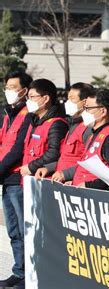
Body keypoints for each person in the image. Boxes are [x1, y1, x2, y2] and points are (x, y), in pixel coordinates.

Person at [0, 71, 33, 288]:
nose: (9, 91)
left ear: (25, 91)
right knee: (13, 231)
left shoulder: (28, 115)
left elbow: (17, 149)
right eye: (7, 87)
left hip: (18, 180)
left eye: (13, 87)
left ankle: (29, 274)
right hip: (7, 179)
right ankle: (19, 271)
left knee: (23, 230)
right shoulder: (8, 114)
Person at [34, 83, 94, 181]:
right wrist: (48, 168)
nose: (68, 102)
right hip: (63, 181)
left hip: (75, 183)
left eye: (72, 99)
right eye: (68, 98)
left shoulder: (88, 127)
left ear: (85, 102)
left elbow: (89, 162)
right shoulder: (73, 125)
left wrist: (66, 174)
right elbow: (65, 158)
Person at [70, 89, 109, 189]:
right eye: (84, 108)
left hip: (97, 196)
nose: (84, 112)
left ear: (102, 111)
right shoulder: (94, 133)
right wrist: (74, 181)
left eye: (88, 108)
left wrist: (89, 185)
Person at [19, 79, 68, 180]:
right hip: (29, 179)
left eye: (32, 97)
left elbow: (54, 153)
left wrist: (31, 167)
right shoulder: (34, 122)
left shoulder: (56, 124)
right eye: (28, 97)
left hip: (44, 180)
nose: (28, 101)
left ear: (45, 99)